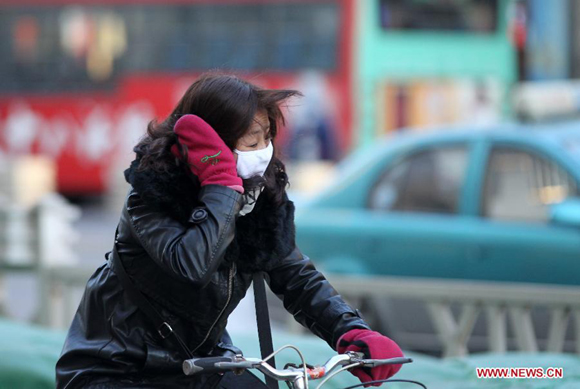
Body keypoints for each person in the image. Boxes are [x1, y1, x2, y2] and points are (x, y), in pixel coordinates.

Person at [55, 73, 404, 388]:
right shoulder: (153, 197)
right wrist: (221, 184)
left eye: (266, 139)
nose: (263, 153)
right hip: (115, 371)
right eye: (250, 144)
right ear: (210, 146)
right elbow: (192, 265)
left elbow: (294, 275)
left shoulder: (257, 200)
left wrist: (350, 330)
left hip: (199, 367)